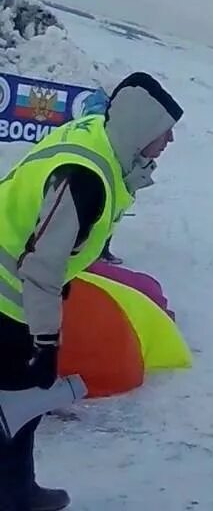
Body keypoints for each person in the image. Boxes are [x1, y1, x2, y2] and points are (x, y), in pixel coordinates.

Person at [0, 72, 180, 511]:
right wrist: (44, 343)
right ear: (140, 128)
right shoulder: (86, 178)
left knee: (14, 410)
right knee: (17, 409)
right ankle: (15, 496)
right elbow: (42, 266)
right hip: (9, 300)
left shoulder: (95, 138)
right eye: (164, 131)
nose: (170, 140)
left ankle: (15, 491)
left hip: (13, 292)